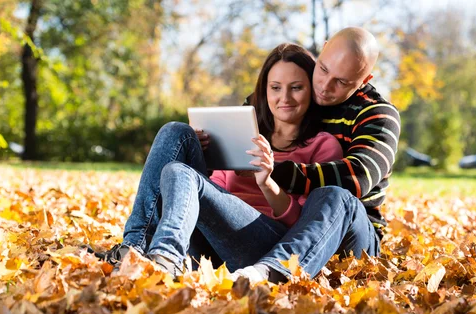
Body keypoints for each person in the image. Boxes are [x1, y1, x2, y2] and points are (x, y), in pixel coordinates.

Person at [95, 43, 342, 274]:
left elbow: (310, 228)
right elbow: (213, 198)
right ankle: (134, 246)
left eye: (296, 87)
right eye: (275, 87)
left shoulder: (323, 145)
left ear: (311, 89)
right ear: (264, 91)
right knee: (175, 132)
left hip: (267, 245)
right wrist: (205, 162)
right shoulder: (242, 133)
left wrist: (267, 183)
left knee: (178, 172)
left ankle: (164, 260)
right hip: (214, 241)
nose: (284, 98)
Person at [231, 27, 401, 282]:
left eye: (341, 82)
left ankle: (272, 273)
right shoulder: (297, 90)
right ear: (321, 52)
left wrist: (272, 170)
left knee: (335, 195)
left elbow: (356, 177)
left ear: (364, 80)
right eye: (322, 69)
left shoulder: (378, 115)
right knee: (180, 136)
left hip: (352, 236)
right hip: (286, 224)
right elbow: (246, 131)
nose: (324, 86)